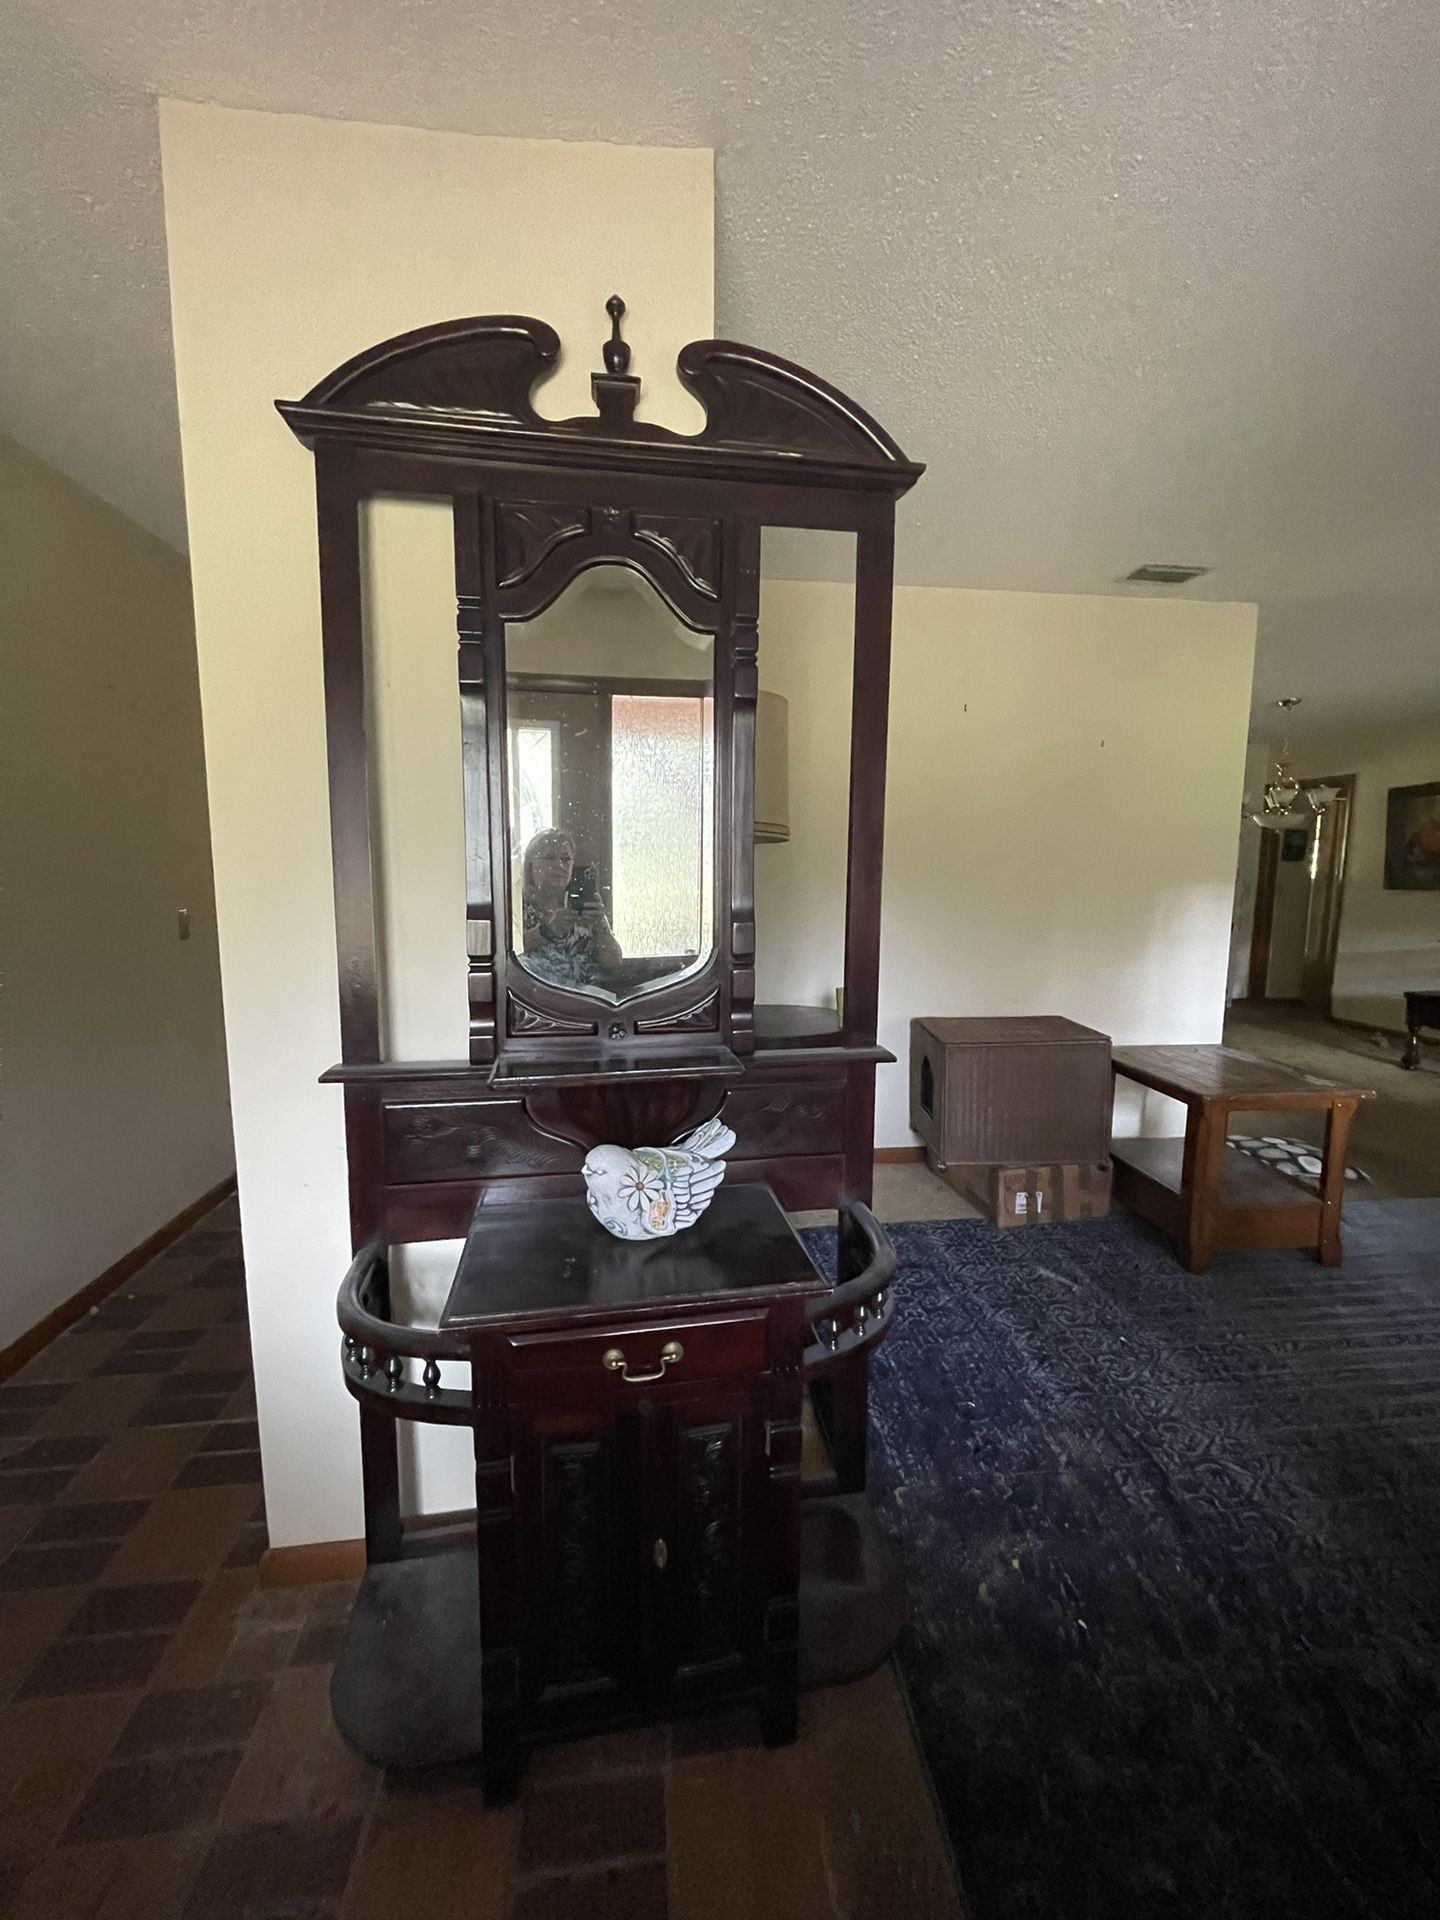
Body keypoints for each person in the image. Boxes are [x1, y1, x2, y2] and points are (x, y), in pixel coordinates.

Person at [519, 828, 622, 988]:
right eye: (550, 857)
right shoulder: (518, 906)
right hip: (534, 999)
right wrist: (547, 931)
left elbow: (614, 964)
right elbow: (509, 955)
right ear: (531, 866)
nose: (559, 865)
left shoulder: (582, 905)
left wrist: (601, 928)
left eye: (566, 859)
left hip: (586, 999)